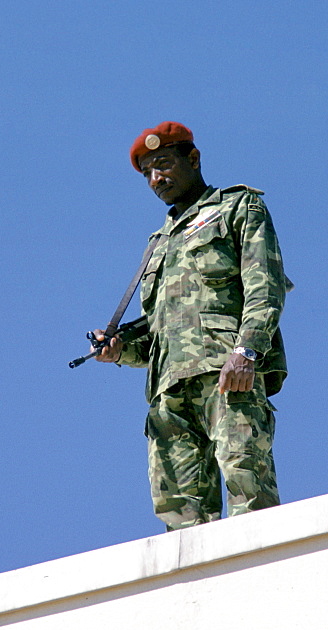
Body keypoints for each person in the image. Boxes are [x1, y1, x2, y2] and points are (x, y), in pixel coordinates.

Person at [93, 121, 290, 531]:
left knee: (248, 494)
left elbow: (265, 287)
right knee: (180, 523)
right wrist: (118, 350)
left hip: (227, 375)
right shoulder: (157, 243)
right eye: (147, 172)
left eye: (163, 164)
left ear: (193, 159)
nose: (155, 179)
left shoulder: (236, 208)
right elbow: (160, 333)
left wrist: (247, 351)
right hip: (168, 394)